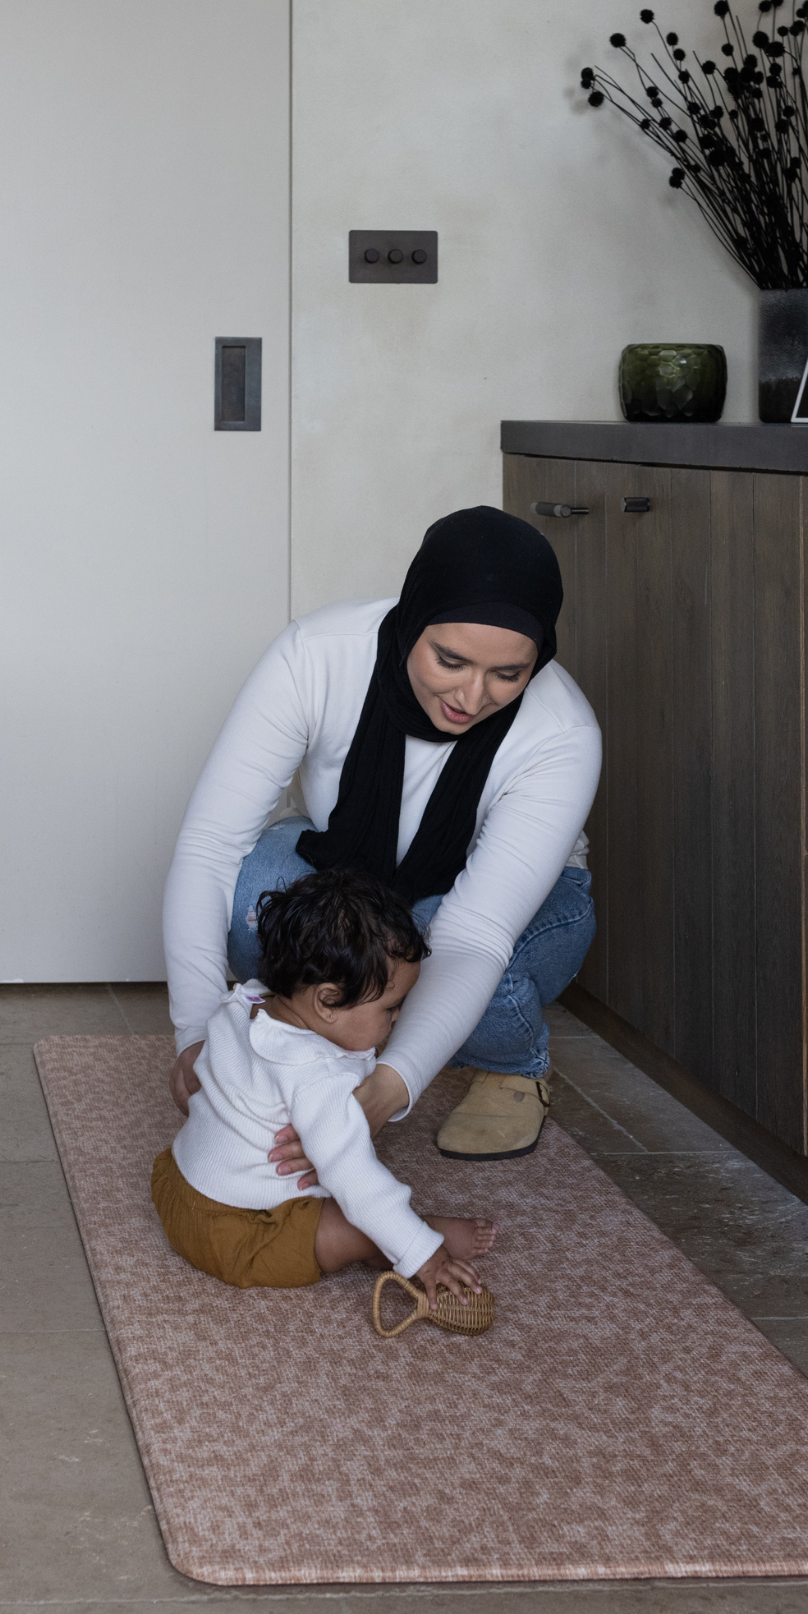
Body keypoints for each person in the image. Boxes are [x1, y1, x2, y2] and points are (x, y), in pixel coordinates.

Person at [163, 505, 601, 1166]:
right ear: (414, 618)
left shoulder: (562, 733)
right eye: (450, 659)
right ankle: (337, 1038)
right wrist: (197, 1036)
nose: (472, 695)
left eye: (508, 674)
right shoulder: (318, 655)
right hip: (354, 866)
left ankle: (517, 1064)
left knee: (440, 959)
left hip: (508, 908)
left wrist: (380, 1097)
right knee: (258, 905)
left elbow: (475, 934)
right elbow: (210, 846)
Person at [151, 866, 493, 1296]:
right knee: (351, 1221)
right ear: (328, 1002)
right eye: (389, 1008)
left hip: (179, 1194)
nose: (398, 1018)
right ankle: (417, 1236)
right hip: (242, 1234)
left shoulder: (244, 1005)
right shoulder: (318, 1078)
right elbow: (356, 1180)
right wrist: (427, 1254)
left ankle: (400, 1235)